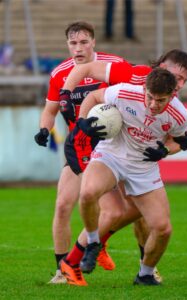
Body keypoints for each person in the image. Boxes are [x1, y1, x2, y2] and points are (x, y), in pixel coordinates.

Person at [59, 48, 187, 281]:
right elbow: (92, 90)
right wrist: (81, 122)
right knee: (91, 195)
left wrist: (164, 150)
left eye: (184, 80)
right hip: (110, 155)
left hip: (142, 166)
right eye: (178, 77)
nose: (153, 104)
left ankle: (146, 273)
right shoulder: (126, 88)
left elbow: (184, 141)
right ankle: (90, 245)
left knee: (161, 228)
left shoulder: (178, 112)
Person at [34, 21, 128, 284]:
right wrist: (44, 129)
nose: (78, 48)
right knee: (63, 205)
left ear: (94, 42)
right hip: (79, 147)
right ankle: (62, 270)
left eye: (84, 42)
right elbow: (50, 110)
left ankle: (147, 268)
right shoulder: (59, 74)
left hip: (114, 147)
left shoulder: (113, 65)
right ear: (67, 45)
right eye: (73, 43)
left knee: (132, 209)